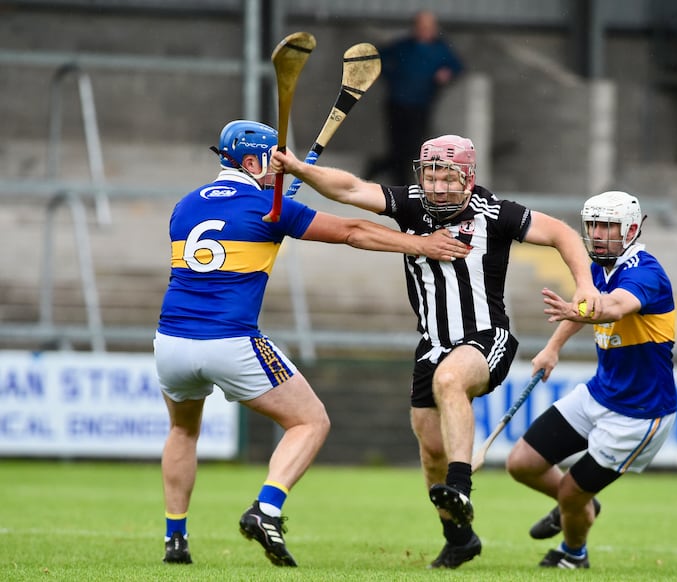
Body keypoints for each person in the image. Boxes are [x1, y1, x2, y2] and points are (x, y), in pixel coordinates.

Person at [270, 134, 600, 569]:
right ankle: (460, 539)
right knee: (430, 452)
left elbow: (560, 232)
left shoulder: (494, 213)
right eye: (431, 176)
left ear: (468, 178)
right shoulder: (410, 205)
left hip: (487, 337)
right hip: (431, 344)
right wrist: (299, 169)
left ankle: (461, 486)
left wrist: (584, 283)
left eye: (449, 178)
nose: (439, 187)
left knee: (451, 381)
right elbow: (349, 189)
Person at [155, 120, 470, 567]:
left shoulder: (184, 206)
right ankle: (266, 508)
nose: (279, 170)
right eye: (273, 163)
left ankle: (175, 539)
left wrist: (276, 204)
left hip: (170, 344)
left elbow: (239, 222)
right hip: (229, 341)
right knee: (311, 422)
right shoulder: (272, 206)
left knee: (182, 430)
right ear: (251, 162)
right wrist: (421, 244)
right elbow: (352, 232)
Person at [505, 190, 677, 569]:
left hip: (638, 414)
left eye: (608, 226)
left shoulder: (646, 273)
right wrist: (552, 348)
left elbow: (612, 306)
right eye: (593, 225)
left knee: (569, 493)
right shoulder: (601, 266)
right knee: (521, 463)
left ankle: (573, 553)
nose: (598, 234)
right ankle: (582, 503)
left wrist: (582, 309)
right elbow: (585, 306)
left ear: (631, 229)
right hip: (599, 393)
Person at [365, 10, 464, 185]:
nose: (426, 30)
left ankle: (383, 169)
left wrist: (446, 74)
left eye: (429, 27)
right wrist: (391, 77)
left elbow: (457, 66)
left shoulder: (440, 49)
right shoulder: (403, 46)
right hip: (397, 102)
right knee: (398, 145)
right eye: (422, 26)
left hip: (421, 104)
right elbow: (378, 58)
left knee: (413, 146)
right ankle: (398, 182)